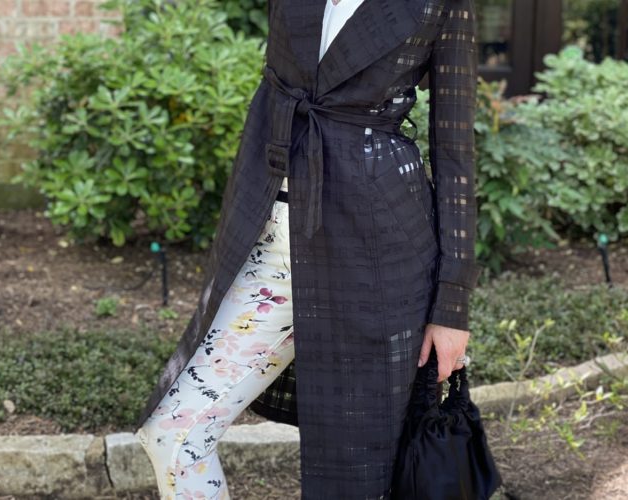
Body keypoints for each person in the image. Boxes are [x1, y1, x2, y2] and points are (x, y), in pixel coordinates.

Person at [135, 0, 478, 498]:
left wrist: (452, 306)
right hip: (270, 239)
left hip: (377, 254)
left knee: (360, 473)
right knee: (174, 433)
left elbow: (455, 154)